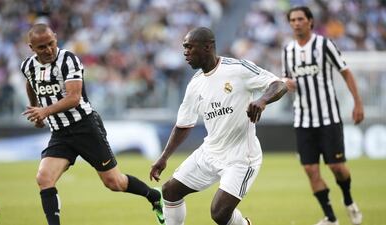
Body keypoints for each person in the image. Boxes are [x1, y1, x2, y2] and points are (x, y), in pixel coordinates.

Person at [20, 23, 165, 225]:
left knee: (114, 182)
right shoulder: (28, 66)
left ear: (55, 37)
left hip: (85, 127)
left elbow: (74, 98)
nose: (49, 50)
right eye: (42, 47)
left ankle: (154, 196)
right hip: (60, 133)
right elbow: (30, 82)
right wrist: (35, 109)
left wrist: (44, 111)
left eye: (51, 43)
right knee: (44, 178)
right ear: (31, 48)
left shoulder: (68, 60)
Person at [150, 27, 287, 225]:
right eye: (184, 48)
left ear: (207, 47)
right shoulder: (195, 84)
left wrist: (263, 100)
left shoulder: (238, 69)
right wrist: (164, 157)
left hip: (241, 157)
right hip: (210, 152)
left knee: (219, 213)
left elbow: (278, 84)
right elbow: (183, 125)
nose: (185, 52)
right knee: (170, 191)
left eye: (189, 47)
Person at [282, 6, 364, 225]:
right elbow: (286, 80)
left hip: (328, 117)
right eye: (292, 20)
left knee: (336, 167)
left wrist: (357, 103)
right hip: (302, 119)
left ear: (310, 21)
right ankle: (330, 218)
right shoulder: (287, 51)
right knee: (310, 169)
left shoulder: (324, 45)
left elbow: (345, 72)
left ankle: (348, 200)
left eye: (300, 19)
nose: (296, 23)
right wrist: (286, 84)